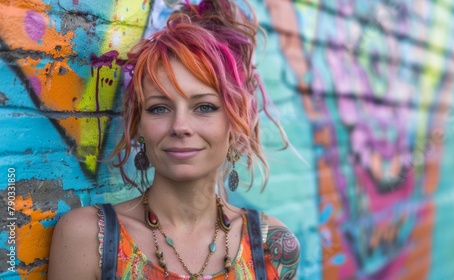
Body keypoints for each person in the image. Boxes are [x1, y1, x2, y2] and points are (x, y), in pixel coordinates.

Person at [47, 0, 300, 279]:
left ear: (234, 121)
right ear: (139, 125)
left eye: (204, 107)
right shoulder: (90, 238)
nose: (180, 126)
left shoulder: (271, 246)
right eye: (159, 108)